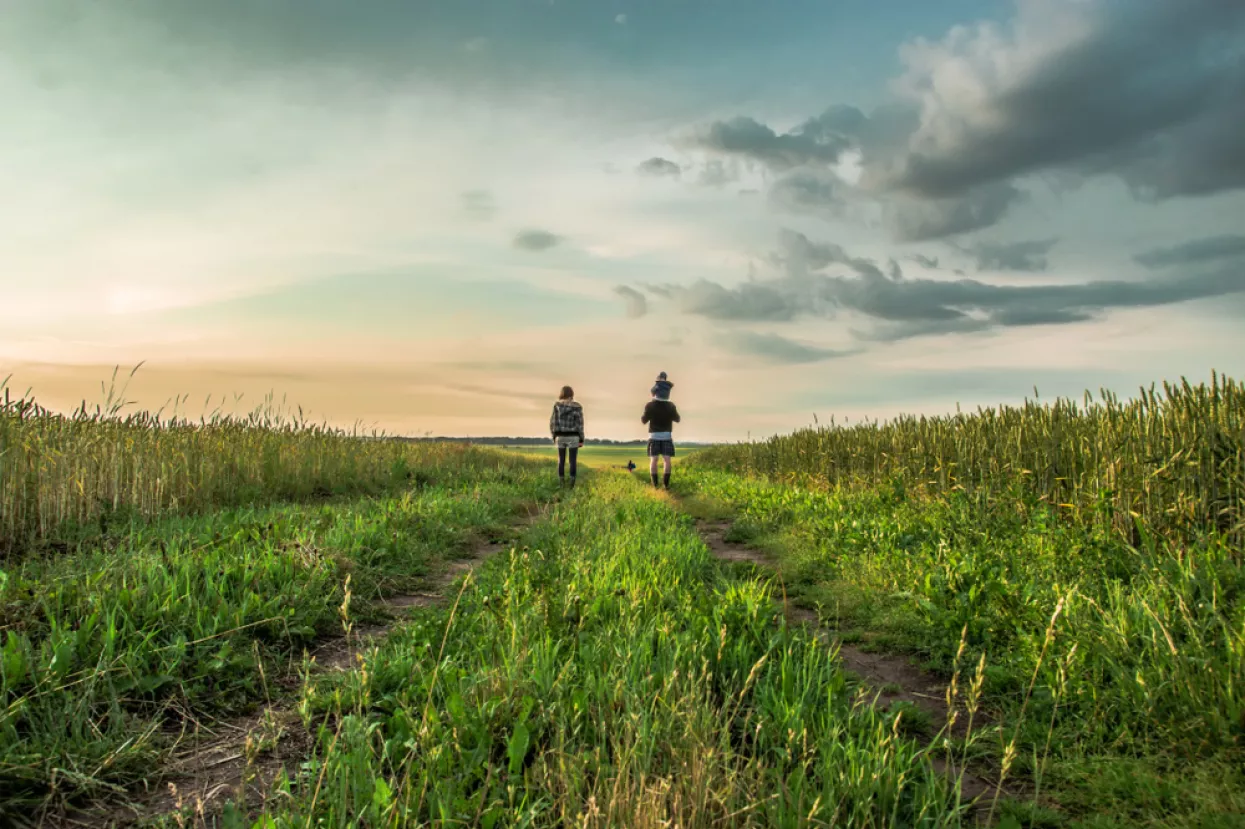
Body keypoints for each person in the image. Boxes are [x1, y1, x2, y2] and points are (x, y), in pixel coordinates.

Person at [641, 383, 680, 488]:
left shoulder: (650, 405)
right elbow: (678, 419)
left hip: (654, 437)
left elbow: (643, 420)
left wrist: (649, 410)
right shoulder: (671, 405)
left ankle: (655, 485)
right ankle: (666, 486)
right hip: (667, 436)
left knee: (653, 460)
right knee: (667, 460)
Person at [549, 385, 584, 487]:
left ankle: (561, 483)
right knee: (573, 460)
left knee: (561, 460)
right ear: (572, 394)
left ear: (562, 394)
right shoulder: (577, 407)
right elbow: (580, 424)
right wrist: (581, 438)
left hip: (560, 436)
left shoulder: (557, 406)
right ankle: (571, 484)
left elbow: (553, 423)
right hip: (573, 436)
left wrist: (554, 436)